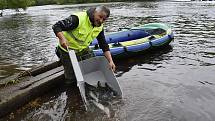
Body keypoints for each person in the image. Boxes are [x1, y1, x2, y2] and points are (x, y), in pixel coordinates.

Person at [52, 6, 116, 84]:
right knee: (71, 78)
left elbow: (103, 45)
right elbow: (56, 26)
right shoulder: (78, 19)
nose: (101, 20)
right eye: (100, 16)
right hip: (68, 51)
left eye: (104, 20)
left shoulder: (100, 27)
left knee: (93, 68)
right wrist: (62, 38)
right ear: (94, 12)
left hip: (83, 49)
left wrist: (110, 61)